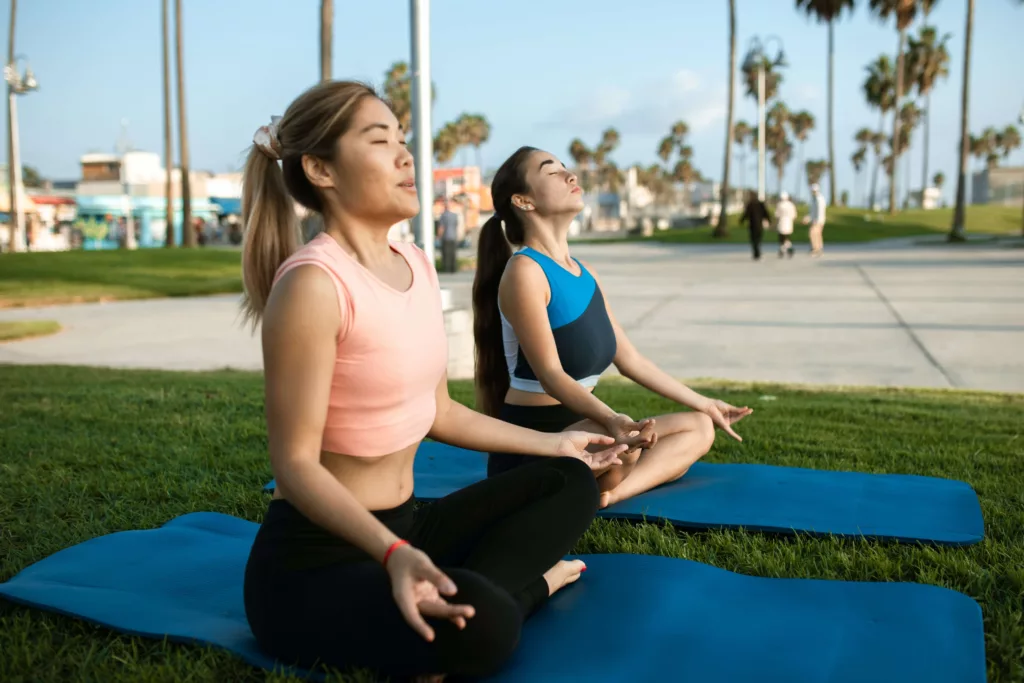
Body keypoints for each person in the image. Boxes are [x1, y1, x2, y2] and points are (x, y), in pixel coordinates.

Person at [238, 82, 631, 682]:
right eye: (380, 141)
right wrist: (394, 555)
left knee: (570, 479)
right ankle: (518, 594)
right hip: (312, 565)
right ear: (320, 168)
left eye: (403, 139)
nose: (404, 155)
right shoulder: (314, 285)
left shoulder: (415, 264)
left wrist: (559, 443)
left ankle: (466, 596)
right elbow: (294, 465)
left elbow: (439, 409)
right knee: (491, 625)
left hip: (410, 524)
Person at [471, 146, 754, 510]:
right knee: (624, 446)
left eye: (565, 168)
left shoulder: (586, 274)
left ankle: (614, 492)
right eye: (551, 171)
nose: (570, 176)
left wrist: (706, 403)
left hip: (588, 429)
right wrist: (615, 420)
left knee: (697, 427)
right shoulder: (525, 271)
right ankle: (600, 476)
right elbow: (553, 375)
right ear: (523, 201)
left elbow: (631, 360)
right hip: (537, 440)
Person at [739, 190, 771, 261]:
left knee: (754, 240)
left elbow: (746, 214)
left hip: (753, 225)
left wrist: (741, 221)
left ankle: (756, 253)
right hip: (759, 225)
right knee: (758, 239)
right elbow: (766, 213)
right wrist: (769, 220)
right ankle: (757, 253)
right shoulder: (760, 204)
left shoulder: (750, 204)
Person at [436, 198, 460, 273]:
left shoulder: (443, 216)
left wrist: (438, 236)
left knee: (446, 254)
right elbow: (456, 226)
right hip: (453, 236)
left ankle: (447, 269)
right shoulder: (455, 215)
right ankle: (453, 268)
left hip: (445, 237)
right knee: (453, 253)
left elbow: (441, 227)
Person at [807, 183, 826, 256]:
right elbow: (812, 211)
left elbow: (820, 211)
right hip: (814, 220)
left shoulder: (819, 199)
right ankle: (819, 248)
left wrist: (816, 221)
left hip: (818, 220)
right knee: (817, 234)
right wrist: (808, 218)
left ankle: (815, 248)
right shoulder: (813, 199)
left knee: (812, 233)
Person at [775, 191, 796, 258]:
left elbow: (777, 215)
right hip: (789, 222)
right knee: (787, 237)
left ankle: (783, 249)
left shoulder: (780, 205)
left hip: (782, 222)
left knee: (782, 238)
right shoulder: (791, 205)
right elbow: (794, 215)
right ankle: (787, 249)